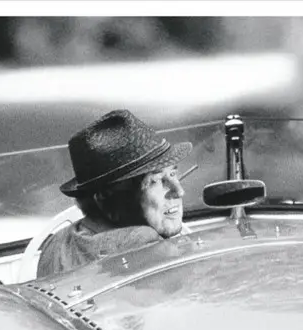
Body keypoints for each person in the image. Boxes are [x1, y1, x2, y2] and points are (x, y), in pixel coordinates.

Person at [36, 109, 192, 278]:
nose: (179, 191)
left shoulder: (55, 244)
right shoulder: (146, 245)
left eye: (173, 174)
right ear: (106, 196)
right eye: (155, 180)